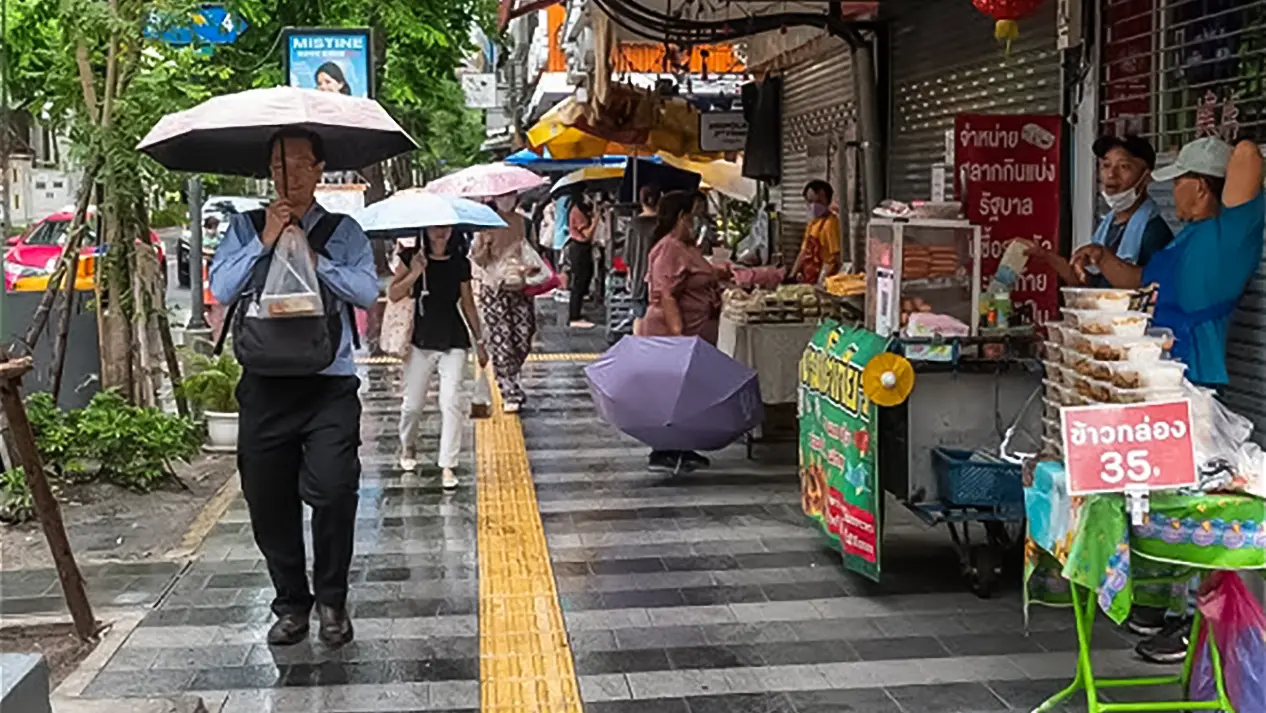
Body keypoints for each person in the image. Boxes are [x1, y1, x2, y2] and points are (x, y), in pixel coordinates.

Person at [1071, 136, 1263, 663]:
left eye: (1179, 180)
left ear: (1200, 188)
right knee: (1156, 499)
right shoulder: (1185, 239)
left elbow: (1246, 154)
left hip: (1195, 387)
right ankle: (1157, 607)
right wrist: (1104, 257)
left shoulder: (1232, 233)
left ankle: (1192, 623)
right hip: (1159, 382)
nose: (1171, 191)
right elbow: (1140, 282)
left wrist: (1225, 142)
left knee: (1191, 508)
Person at [208, 129, 378, 648]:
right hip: (264, 382)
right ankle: (291, 603)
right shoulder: (246, 226)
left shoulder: (344, 231)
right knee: (266, 498)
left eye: (303, 165)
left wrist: (312, 256)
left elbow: (367, 291)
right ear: (270, 172)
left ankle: (332, 599)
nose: (293, 176)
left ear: (320, 169)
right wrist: (267, 240)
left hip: (328, 383)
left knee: (333, 488)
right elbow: (220, 287)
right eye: (282, 167)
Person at [388, 225, 486, 488]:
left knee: (452, 401)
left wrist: (480, 340)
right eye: (435, 227)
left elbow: (467, 303)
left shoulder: (459, 263)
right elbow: (393, 293)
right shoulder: (410, 257)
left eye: (446, 227)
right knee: (412, 405)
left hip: (453, 339)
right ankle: (408, 445)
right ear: (425, 229)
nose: (440, 232)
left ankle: (448, 465)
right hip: (419, 340)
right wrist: (415, 273)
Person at [641, 190, 725, 474]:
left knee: (686, 392)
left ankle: (682, 447)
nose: (700, 219)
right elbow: (667, 294)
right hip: (673, 332)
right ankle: (664, 451)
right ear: (682, 217)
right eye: (696, 213)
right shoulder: (669, 249)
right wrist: (678, 338)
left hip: (693, 330)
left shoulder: (686, 246)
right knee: (672, 393)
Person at [1028, 135, 1173, 286]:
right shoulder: (1108, 225)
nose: (1111, 175)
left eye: (1124, 166)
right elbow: (1088, 282)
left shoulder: (1154, 232)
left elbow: (1150, 287)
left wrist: (1102, 257)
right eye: (1106, 165)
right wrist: (1045, 255)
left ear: (1146, 177)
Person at [472, 193, 538, 413]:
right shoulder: (485, 224)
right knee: (502, 340)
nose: (506, 199)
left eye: (510, 195)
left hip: (521, 288)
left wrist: (530, 267)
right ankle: (509, 389)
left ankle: (512, 375)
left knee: (523, 336)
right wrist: (486, 246)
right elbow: (478, 259)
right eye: (502, 196)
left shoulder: (525, 223)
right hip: (494, 289)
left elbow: (535, 253)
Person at [790, 180, 841, 284]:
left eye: (819, 201)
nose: (814, 205)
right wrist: (791, 275)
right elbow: (803, 253)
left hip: (826, 278)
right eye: (810, 201)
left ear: (828, 201)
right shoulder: (812, 224)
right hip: (811, 275)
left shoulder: (831, 223)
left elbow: (837, 256)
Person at [627, 184, 662, 336]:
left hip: (637, 277)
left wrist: (629, 275)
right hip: (659, 279)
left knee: (639, 316)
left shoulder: (633, 224)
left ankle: (638, 349)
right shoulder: (663, 225)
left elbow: (627, 255)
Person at [566, 190, 597, 328]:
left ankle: (576, 314)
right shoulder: (578, 211)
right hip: (579, 247)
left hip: (581, 248)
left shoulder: (578, 209)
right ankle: (574, 316)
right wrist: (596, 220)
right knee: (579, 282)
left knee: (583, 280)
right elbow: (586, 234)